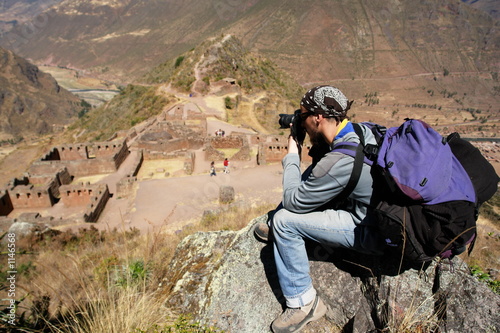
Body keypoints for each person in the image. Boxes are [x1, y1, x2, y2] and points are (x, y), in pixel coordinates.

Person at [254, 85, 382, 333]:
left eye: (303, 116)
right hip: (375, 213)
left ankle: (304, 303)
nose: (301, 122)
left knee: (283, 221)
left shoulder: (340, 160)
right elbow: (326, 173)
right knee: (317, 170)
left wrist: (293, 152)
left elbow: (292, 201)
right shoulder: (356, 131)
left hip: (371, 231)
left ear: (318, 117)